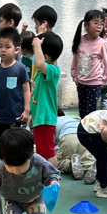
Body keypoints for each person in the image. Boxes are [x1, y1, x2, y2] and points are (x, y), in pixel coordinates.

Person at [0, 27, 30, 137]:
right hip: (1, 116)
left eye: (7, 47)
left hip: (16, 115)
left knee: (16, 140)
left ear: (16, 50)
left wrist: (27, 110)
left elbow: (26, 90)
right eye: (0, 46)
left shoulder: (20, 68)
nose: (3, 50)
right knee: (3, 140)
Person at [71, 9, 107, 119]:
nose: (99, 26)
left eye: (101, 23)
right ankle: (82, 126)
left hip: (95, 82)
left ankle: (89, 128)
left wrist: (104, 80)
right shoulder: (80, 40)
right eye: (96, 22)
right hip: (81, 82)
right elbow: (75, 59)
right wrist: (75, 77)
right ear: (86, 25)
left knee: (90, 111)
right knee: (82, 109)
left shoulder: (102, 43)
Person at [30, 31, 62, 165]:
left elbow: (40, 63)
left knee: (48, 152)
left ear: (46, 57)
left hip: (46, 119)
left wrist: (37, 44)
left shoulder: (53, 71)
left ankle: (52, 175)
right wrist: (33, 115)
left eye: (36, 52)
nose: (34, 55)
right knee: (41, 150)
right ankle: (45, 173)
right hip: (40, 118)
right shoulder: (41, 73)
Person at [55, 110, 95, 181]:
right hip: (84, 137)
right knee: (86, 159)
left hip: (67, 137)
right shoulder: (72, 119)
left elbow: (51, 142)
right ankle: (90, 167)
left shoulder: (53, 122)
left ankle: (69, 164)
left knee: (57, 161)